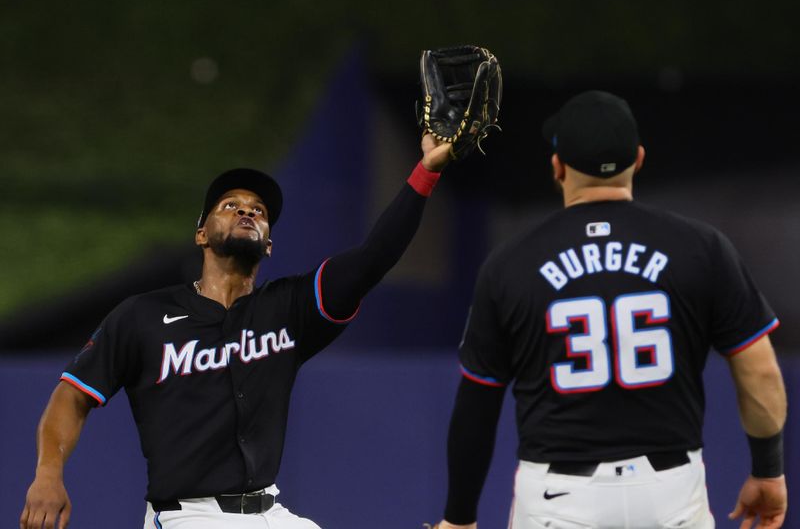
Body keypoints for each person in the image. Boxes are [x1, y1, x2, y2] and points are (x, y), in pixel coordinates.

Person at [20, 133, 453, 529]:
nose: (247, 209)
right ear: (200, 235)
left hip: (271, 512)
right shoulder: (144, 315)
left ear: (268, 244)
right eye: (230, 205)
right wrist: (47, 474)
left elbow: (374, 257)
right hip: (188, 516)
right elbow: (73, 394)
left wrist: (426, 170)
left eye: (258, 210)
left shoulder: (289, 308)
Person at [433, 91, 787, 529]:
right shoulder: (701, 248)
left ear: (558, 166)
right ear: (638, 159)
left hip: (558, 498)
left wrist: (460, 518)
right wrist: (768, 470)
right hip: (670, 493)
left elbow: (477, 403)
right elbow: (760, 373)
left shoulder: (511, 263)